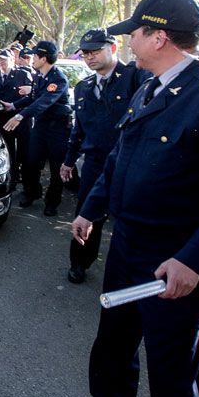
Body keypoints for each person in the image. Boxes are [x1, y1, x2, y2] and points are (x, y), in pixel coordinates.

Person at [64, 0, 199, 397]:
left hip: (177, 260)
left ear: (159, 36)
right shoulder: (151, 86)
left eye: (135, 33)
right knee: (114, 339)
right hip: (130, 241)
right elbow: (121, 155)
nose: (129, 41)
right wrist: (92, 209)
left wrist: (195, 260)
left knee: (172, 368)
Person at [60, 28, 148, 284]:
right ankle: (79, 263)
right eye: (86, 53)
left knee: (129, 219)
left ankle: (131, 273)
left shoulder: (135, 76)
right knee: (87, 214)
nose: (89, 57)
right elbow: (79, 128)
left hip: (129, 162)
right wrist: (68, 160)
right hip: (96, 162)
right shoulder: (84, 87)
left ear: (112, 48)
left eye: (95, 51)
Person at [2, 40, 72, 216]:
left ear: (44, 58)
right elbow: (33, 97)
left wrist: (21, 115)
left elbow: (44, 101)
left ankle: (52, 202)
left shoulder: (58, 79)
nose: (31, 58)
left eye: (34, 55)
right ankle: (32, 192)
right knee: (31, 162)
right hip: (41, 127)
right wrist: (13, 105)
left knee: (56, 168)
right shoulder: (40, 76)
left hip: (58, 129)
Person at [0, 49, 30, 186]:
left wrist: (16, 108)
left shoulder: (23, 74)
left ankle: (27, 181)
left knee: (25, 151)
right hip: (3, 120)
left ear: (12, 59)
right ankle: (13, 177)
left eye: (4, 60)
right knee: (8, 151)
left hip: (21, 118)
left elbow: (30, 97)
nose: (1, 63)